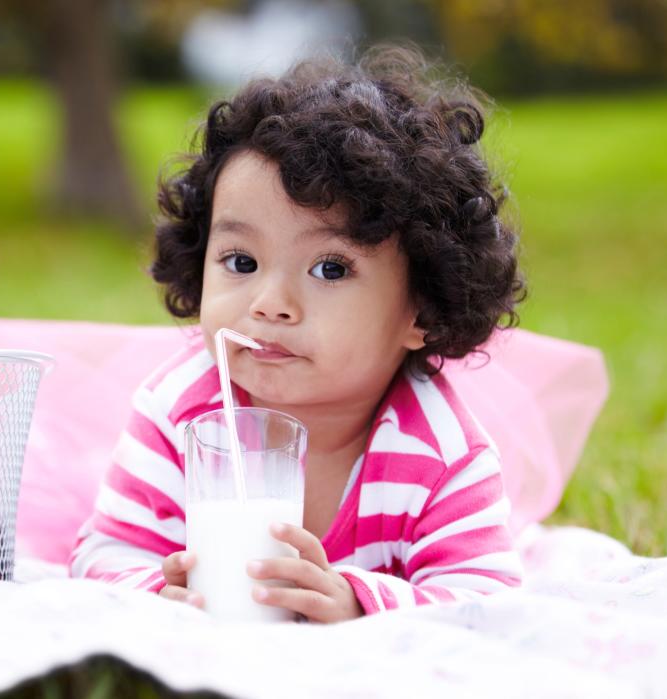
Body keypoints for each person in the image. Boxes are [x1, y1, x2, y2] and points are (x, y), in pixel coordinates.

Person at [69, 45, 526, 622]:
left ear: (422, 309)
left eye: (330, 269)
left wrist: (357, 604)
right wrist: (158, 594)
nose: (270, 304)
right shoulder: (178, 414)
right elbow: (102, 555)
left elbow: (488, 598)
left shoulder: (439, 454)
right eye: (240, 261)